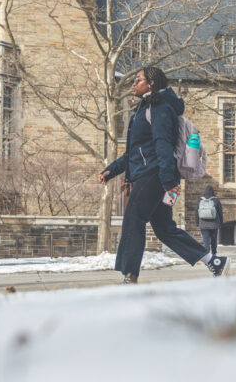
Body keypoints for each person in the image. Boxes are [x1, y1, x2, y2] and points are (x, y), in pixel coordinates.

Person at [98, 67, 229, 284]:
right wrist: (111, 170)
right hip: (153, 174)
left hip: (154, 175)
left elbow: (163, 145)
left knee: (133, 220)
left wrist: (168, 181)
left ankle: (130, 275)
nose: (133, 84)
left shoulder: (159, 107)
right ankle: (213, 261)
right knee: (164, 229)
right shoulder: (146, 107)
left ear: (151, 83)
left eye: (137, 80)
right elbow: (134, 151)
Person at [196, 185, 223, 257]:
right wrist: (221, 222)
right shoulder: (216, 200)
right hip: (214, 224)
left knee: (206, 240)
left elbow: (196, 212)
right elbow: (220, 212)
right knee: (214, 240)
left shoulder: (200, 200)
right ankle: (214, 254)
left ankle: (207, 255)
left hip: (203, 224)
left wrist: (197, 222)